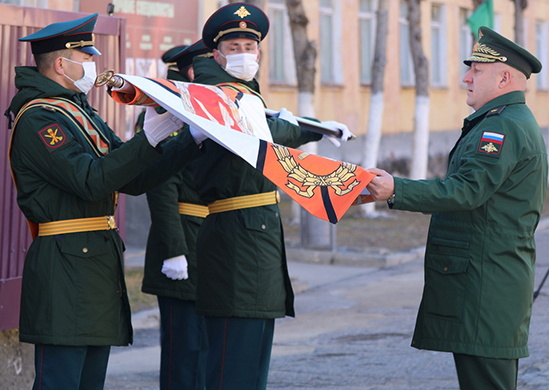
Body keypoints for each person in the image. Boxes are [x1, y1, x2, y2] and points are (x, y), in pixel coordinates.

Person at [7, 13, 203, 390]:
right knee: (61, 381)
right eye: (87, 59)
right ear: (62, 64)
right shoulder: (39, 119)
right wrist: (147, 139)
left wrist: (186, 141)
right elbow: (90, 180)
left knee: (89, 381)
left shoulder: (79, 111)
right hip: (64, 267)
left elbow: (132, 178)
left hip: (94, 264)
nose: (94, 67)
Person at [366, 26, 548, 390]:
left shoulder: (502, 129)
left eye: (476, 71)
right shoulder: (502, 122)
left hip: (487, 288)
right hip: (490, 283)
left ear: (504, 78)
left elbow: (465, 191)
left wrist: (394, 188)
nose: (466, 78)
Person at [191, 3, 352, 389]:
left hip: (254, 237)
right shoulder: (212, 93)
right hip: (236, 239)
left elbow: (270, 127)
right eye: (234, 47)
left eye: (250, 45)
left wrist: (314, 128)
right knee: (234, 364)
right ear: (216, 53)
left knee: (252, 362)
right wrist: (309, 129)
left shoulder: (246, 94)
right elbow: (261, 134)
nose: (244, 53)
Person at [140, 40, 212, 390]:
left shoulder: (203, 108)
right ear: (189, 71)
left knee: (205, 349)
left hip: (209, 244)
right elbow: (162, 186)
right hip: (182, 242)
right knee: (183, 352)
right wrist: (173, 250)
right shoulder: (166, 111)